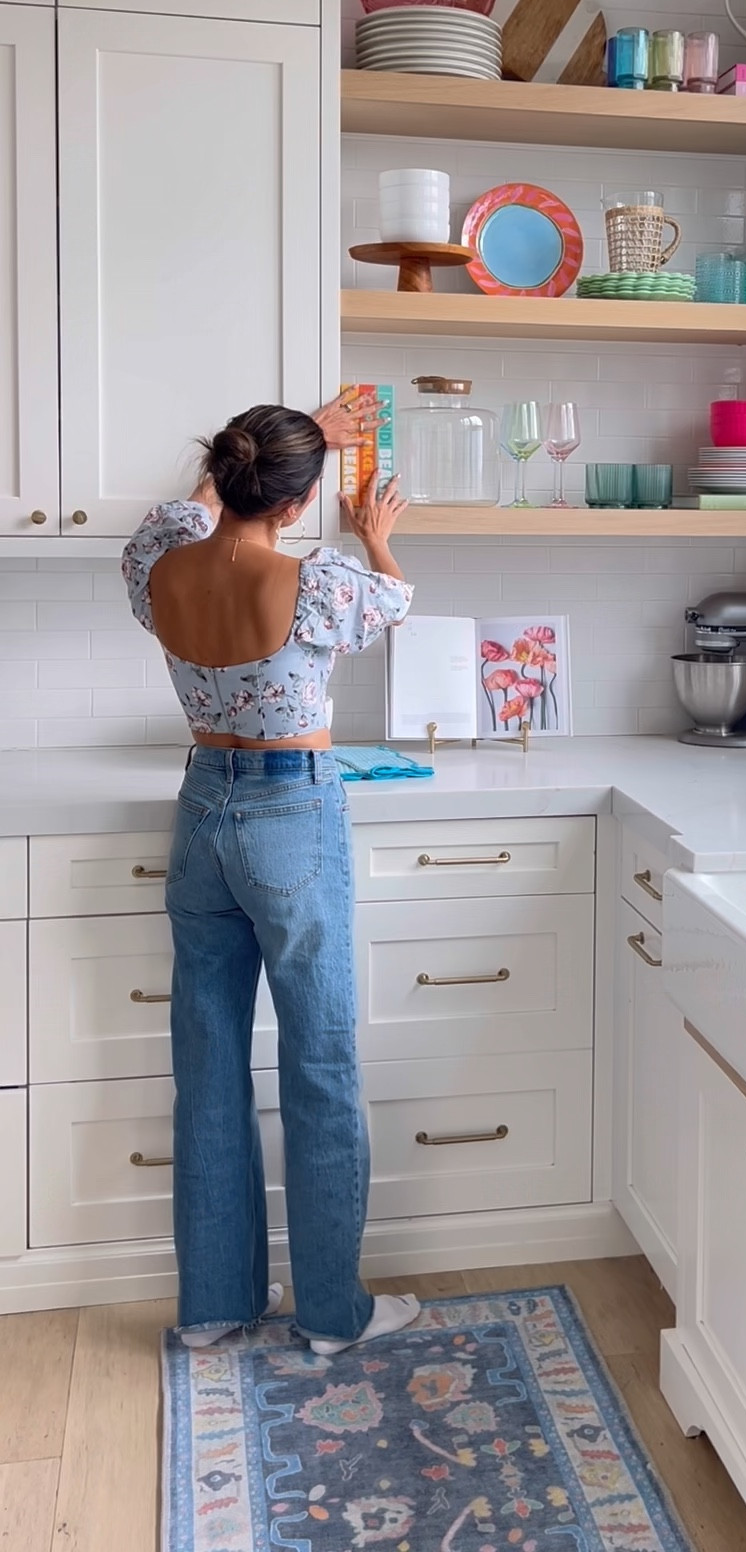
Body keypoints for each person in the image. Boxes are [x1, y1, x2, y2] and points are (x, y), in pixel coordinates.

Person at [122, 396, 418, 1355]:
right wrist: (377, 537)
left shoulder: (156, 563)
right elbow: (396, 604)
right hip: (291, 808)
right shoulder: (324, 578)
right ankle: (333, 1313)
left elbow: (193, 509)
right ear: (298, 505)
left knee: (207, 1061)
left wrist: (295, 437)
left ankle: (214, 1306)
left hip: (202, 806)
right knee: (319, 1060)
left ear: (226, 474)